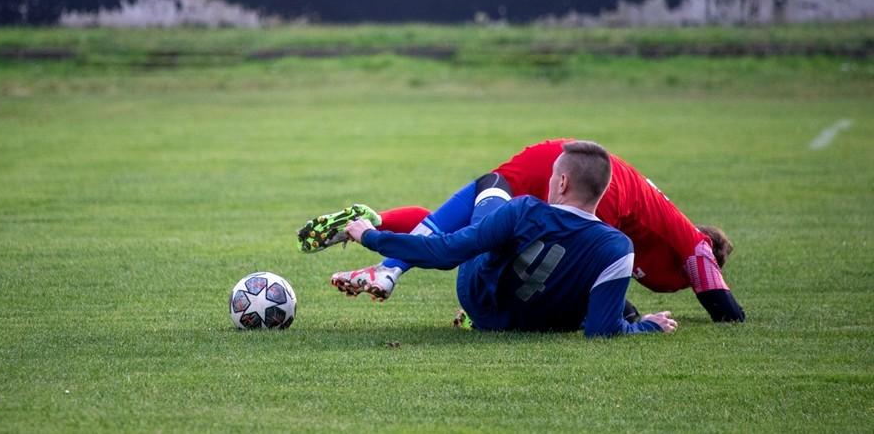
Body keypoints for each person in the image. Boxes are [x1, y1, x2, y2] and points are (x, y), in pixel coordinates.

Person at [297, 138, 745, 322]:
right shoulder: (668, 236)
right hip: (568, 168)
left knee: (480, 214)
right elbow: (702, 262)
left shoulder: (625, 244)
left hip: (576, 176)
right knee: (488, 205)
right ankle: (390, 266)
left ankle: (377, 226)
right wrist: (731, 316)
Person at [341, 141, 677, 337]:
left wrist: (371, 236)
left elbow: (444, 253)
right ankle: (388, 267)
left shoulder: (524, 210)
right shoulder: (618, 247)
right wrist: (646, 327)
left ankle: (388, 268)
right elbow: (602, 331)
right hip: (542, 325)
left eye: (551, 177)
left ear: (561, 184)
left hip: (482, 305)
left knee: (492, 184)